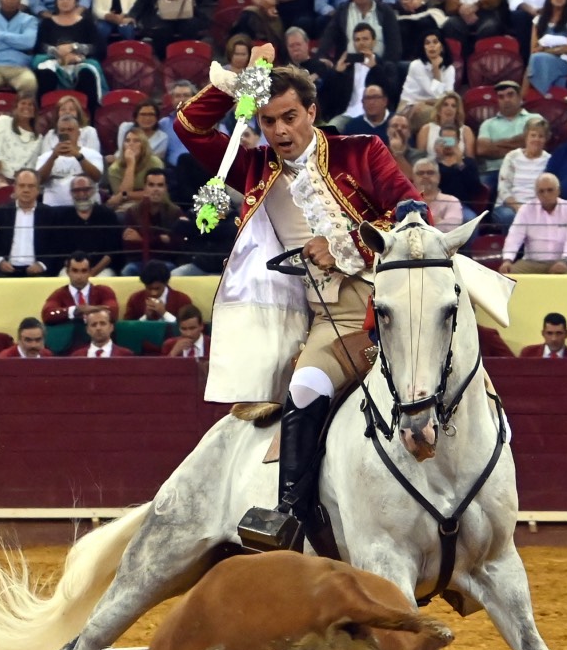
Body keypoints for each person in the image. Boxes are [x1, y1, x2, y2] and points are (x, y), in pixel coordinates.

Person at [174, 47, 420, 548]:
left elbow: (414, 216)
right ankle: (290, 514)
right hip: (318, 319)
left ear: (312, 112)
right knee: (306, 388)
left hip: (383, 304)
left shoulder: (360, 151)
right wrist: (239, 85)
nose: (280, 131)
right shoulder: (253, 167)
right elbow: (188, 128)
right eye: (267, 121)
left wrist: (347, 244)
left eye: (290, 117)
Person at [33, 0, 105, 116]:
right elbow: (39, 46)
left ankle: (89, 121)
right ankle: (43, 118)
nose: (65, 1)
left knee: (87, 75)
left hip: (81, 61)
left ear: (76, 0)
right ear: (56, 1)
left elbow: (99, 47)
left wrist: (76, 48)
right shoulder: (47, 23)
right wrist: (57, 53)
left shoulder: (86, 23)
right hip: (54, 62)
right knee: (45, 75)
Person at [500, 172, 567, 273]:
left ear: (558, 191)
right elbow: (514, 236)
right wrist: (507, 260)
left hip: (564, 262)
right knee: (507, 277)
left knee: (563, 279)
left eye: (550, 190)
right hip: (532, 262)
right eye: (541, 191)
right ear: (536, 194)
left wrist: (564, 261)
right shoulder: (526, 209)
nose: (546, 194)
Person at [316, 0, 402, 63]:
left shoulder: (385, 11)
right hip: (349, 67)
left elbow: (394, 46)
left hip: (380, 66)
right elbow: (328, 37)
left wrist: (383, 67)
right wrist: (321, 57)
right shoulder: (342, 11)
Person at [120, 168, 187, 275]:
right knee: (128, 270)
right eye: (151, 185)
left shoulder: (175, 212)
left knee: (174, 271)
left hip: (166, 263)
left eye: (160, 185)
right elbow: (129, 245)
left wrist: (141, 240)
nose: (156, 189)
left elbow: (178, 245)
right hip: (139, 262)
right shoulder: (132, 212)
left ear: (166, 188)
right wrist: (161, 239)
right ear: (145, 187)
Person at [523, 0, 567, 98]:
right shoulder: (538, 20)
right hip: (540, 60)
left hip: (565, 63)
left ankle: (526, 99)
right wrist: (559, 48)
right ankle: (530, 99)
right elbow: (533, 50)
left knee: (535, 61)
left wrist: (545, 49)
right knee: (534, 60)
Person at [51, 176, 121, 277]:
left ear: (93, 191)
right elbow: (60, 252)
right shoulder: (62, 218)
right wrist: (77, 271)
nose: (82, 194)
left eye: (86, 190)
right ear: (71, 193)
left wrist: (92, 273)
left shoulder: (107, 215)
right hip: (72, 269)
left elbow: (112, 251)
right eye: (77, 190)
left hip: (102, 269)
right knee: (63, 279)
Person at [0, 167, 54, 276]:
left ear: (38, 189)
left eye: (31, 186)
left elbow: (56, 246)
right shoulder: (0, 212)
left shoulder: (49, 214)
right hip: (6, 271)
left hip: (38, 273)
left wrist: (42, 264)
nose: (26, 190)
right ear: (15, 188)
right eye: (22, 185)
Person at [35, 112, 103, 206]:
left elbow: (97, 177)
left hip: (86, 208)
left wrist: (78, 156)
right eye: (62, 130)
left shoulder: (91, 154)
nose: (66, 133)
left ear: (78, 133)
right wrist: (53, 157)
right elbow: (38, 181)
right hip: (54, 210)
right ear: (57, 133)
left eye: (70, 130)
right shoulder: (46, 157)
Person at [493, 115, 550, 228]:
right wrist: (518, 207)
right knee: (511, 217)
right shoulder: (512, 156)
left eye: (541, 136)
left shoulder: (549, 160)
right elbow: (503, 188)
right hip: (508, 206)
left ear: (546, 139)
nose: (536, 139)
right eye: (533, 135)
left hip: (536, 207)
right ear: (526, 137)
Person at [0, 91, 42, 198]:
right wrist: (1, 177)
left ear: (35, 111)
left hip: (23, 181)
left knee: (25, 191)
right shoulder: (3, 121)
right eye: (23, 103)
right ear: (15, 107)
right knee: (2, 188)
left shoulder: (38, 138)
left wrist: (19, 182)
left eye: (30, 104)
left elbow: (32, 166)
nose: (26, 107)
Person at [475, 80, 532, 188]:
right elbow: (483, 149)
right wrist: (520, 144)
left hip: (527, 169)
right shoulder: (488, 124)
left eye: (510, 95)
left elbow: (533, 143)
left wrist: (495, 145)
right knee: (479, 188)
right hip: (496, 172)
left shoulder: (534, 119)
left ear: (520, 98)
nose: (506, 100)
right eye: (501, 97)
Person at [42, 251, 119, 329]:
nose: (79, 276)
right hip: (72, 340)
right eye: (75, 271)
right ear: (67, 272)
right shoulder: (59, 294)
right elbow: (48, 314)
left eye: (84, 271)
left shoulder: (104, 291)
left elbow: (112, 312)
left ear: (90, 272)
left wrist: (89, 311)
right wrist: (76, 310)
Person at [397, 32, 456, 122]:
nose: (431, 46)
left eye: (435, 42)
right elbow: (436, 94)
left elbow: (448, 96)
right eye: (427, 43)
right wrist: (436, 70)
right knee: (441, 115)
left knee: (452, 111)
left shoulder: (449, 68)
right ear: (423, 48)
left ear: (442, 47)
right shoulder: (416, 65)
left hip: (429, 104)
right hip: (410, 105)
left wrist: (425, 102)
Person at [106, 128, 163, 211]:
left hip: (151, 203)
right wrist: (130, 165)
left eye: (136, 141)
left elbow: (156, 192)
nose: (131, 144)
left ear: (143, 145)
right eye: (127, 141)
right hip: (125, 207)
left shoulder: (154, 163)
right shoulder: (114, 169)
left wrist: (126, 195)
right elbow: (119, 198)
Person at [124, 259, 193, 324]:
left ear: (166, 283)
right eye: (149, 288)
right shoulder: (135, 299)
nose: (153, 293)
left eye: (157, 289)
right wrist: (145, 317)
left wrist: (165, 314)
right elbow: (127, 328)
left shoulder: (182, 299)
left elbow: (189, 328)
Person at [412, 157, 462, 228]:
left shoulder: (451, 201)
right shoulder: (404, 200)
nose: (425, 176)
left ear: (438, 177)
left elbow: (452, 229)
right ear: (413, 178)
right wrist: (435, 221)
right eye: (420, 173)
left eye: (430, 173)